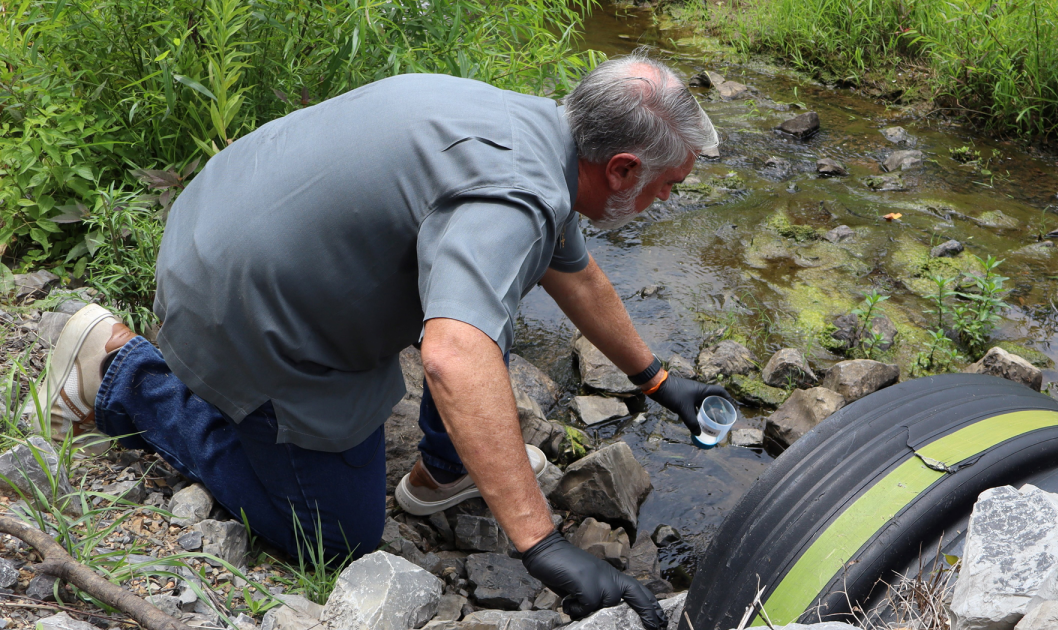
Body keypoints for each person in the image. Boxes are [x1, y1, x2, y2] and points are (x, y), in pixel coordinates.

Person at [37, 52, 732, 629]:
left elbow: (573, 275)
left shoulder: (538, 130)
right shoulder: (517, 193)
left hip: (223, 220)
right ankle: (123, 373)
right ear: (622, 168)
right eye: (669, 185)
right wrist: (541, 543)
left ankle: (444, 470)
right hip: (238, 303)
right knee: (338, 533)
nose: (669, 200)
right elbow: (455, 356)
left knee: (493, 291)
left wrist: (658, 381)